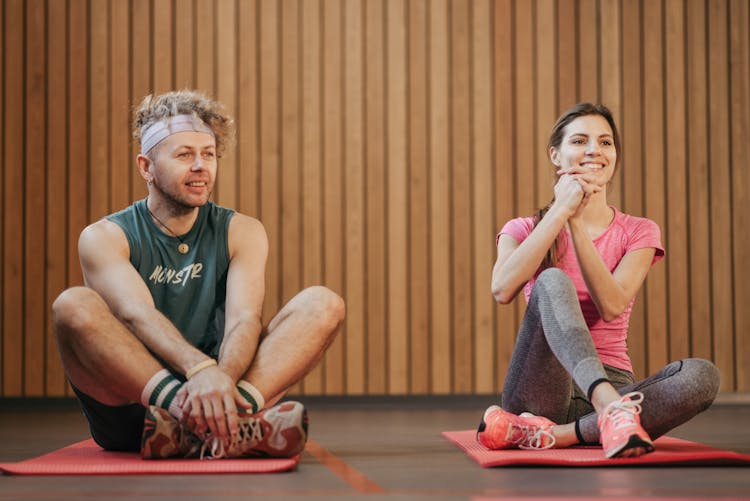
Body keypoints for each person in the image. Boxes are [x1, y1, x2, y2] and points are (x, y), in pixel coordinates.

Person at [53, 90, 345, 459]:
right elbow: (135, 314)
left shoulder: (242, 230)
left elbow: (244, 320)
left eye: (208, 154)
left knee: (323, 303)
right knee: (72, 305)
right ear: (146, 167)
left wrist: (220, 377)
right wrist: (200, 369)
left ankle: (212, 425)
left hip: (221, 389)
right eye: (184, 155)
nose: (200, 166)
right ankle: (228, 427)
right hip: (133, 406)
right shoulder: (105, 237)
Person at [477, 102, 720, 459]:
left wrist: (575, 224)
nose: (594, 150)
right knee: (552, 281)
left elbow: (612, 304)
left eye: (606, 142)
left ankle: (557, 435)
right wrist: (562, 212)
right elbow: (501, 289)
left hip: (615, 381)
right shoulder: (523, 229)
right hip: (543, 389)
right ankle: (607, 411)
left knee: (702, 376)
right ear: (556, 156)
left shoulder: (639, 231)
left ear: (614, 156)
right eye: (580, 141)